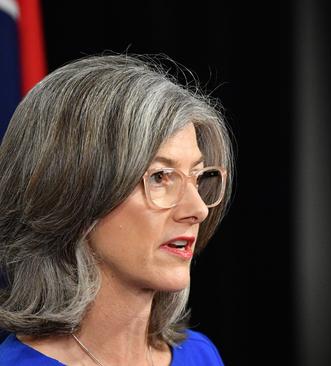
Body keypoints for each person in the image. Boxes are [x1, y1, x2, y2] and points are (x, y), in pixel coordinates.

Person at [0, 54, 233, 365]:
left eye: (198, 176)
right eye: (161, 177)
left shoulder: (199, 355)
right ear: (73, 195)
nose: (198, 210)